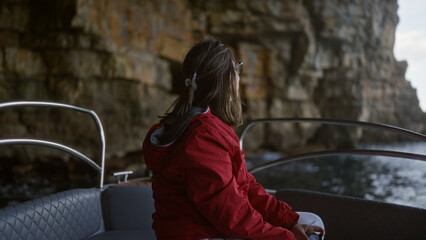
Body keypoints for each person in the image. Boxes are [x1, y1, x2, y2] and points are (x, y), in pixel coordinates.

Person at [143, 38, 325, 240]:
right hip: (199, 235)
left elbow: (245, 187)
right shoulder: (204, 136)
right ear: (228, 79)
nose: (239, 75)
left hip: (199, 229)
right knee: (314, 227)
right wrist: (287, 236)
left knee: (309, 220)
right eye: (237, 69)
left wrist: (288, 220)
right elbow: (231, 216)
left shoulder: (197, 125)